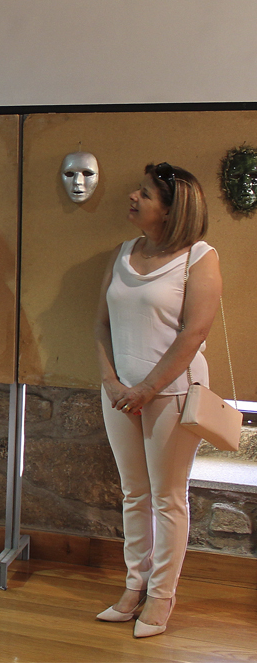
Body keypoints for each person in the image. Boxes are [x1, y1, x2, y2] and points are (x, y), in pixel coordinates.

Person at [93, 163, 221, 639]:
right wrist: (110, 380)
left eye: (144, 194)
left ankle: (162, 596)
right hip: (119, 393)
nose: (133, 196)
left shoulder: (199, 257)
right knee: (134, 493)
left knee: (168, 498)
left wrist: (146, 389)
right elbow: (101, 323)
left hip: (173, 393)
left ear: (171, 210)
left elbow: (195, 333)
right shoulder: (123, 252)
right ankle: (135, 585)